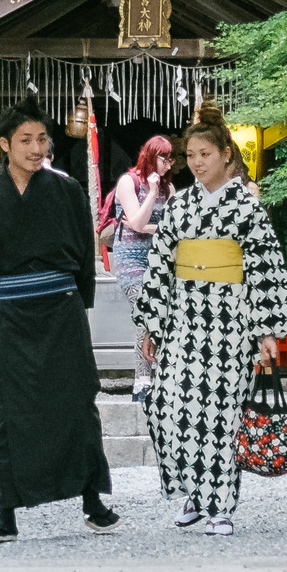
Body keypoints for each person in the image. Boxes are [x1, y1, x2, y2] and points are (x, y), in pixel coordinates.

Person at [133, 104, 287, 537]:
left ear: (226, 153)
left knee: (223, 414)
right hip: (184, 321)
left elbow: (265, 269)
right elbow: (161, 266)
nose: (197, 162)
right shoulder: (178, 206)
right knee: (171, 407)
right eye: (191, 156)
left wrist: (266, 330)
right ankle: (193, 490)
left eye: (205, 153)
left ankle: (220, 505)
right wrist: (152, 324)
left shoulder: (247, 206)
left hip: (231, 323)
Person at [0, 103, 116, 544]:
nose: (36, 148)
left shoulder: (67, 191)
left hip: (61, 311)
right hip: (12, 313)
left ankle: (92, 500)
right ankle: (7, 512)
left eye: (42, 139)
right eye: (25, 140)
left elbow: (85, 258)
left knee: (77, 402)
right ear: (5, 145)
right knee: (9, 411)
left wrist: (79, 304)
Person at [111, 135, 172, 401]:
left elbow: (172, 227)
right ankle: (142, 382)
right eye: (164, 158)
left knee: (159, 315)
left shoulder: (171, 190)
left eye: (171, 159)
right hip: (130, 261)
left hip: (158, 262)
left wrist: (147, 226)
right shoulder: (129, 182)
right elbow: (136, 223)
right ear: (150, 155)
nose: (168, 165)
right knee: (145, 311)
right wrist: (152, 194)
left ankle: (157, 379)